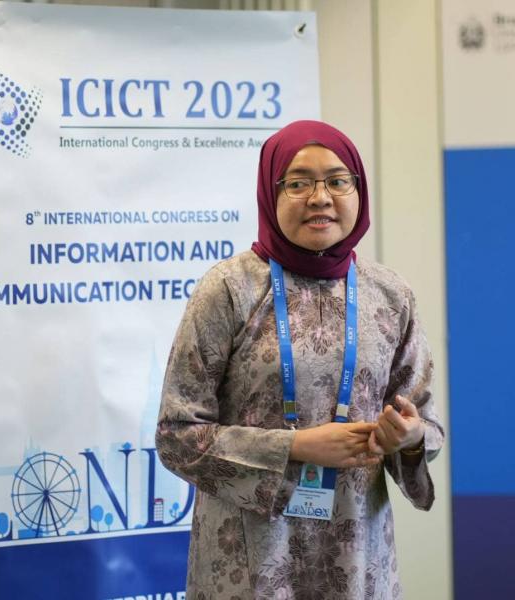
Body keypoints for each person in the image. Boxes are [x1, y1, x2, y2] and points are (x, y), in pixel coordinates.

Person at [156, 120, 444, 599]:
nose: (320, 198)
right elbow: (176, 436)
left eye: (337, 180)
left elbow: (425, 424)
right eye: (298, 183)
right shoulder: (228, 290)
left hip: (357, 556)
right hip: (249, 560)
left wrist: (409, 437)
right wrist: (295, 447)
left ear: (358, 190)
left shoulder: (390, 295)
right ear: (270, 194)